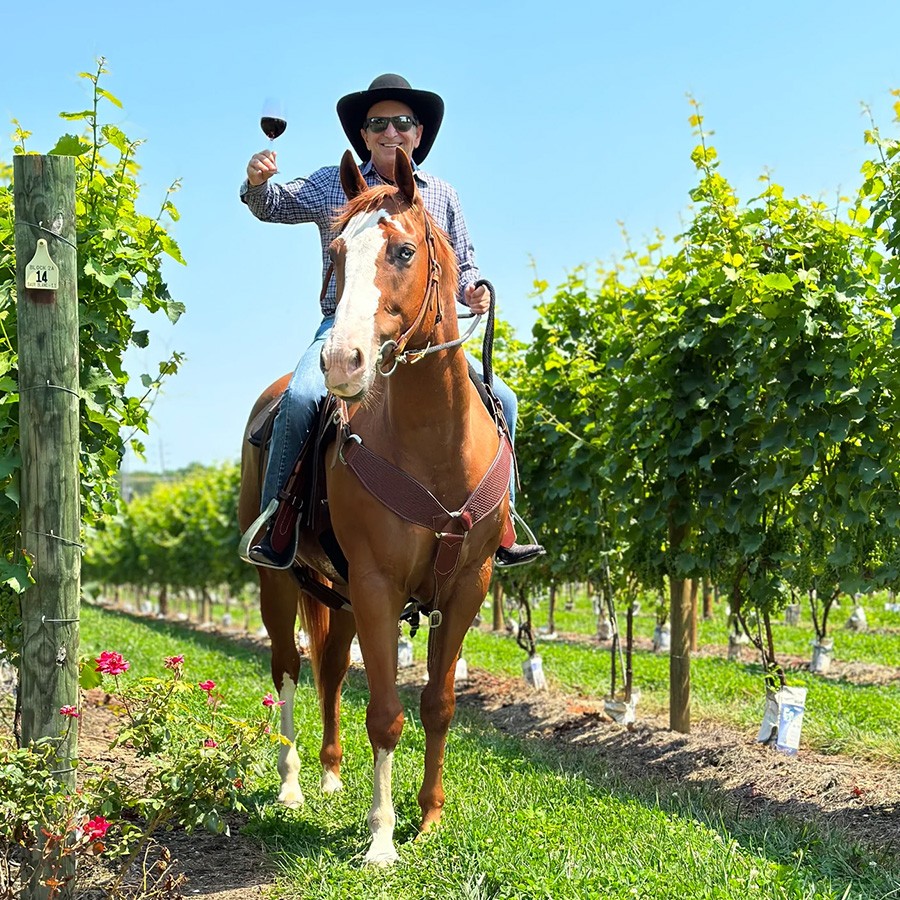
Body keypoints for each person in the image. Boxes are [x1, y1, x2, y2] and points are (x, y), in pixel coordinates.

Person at [240, 73, 544, 569]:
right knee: (298, 399)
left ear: (418, 133)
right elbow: (274, 205)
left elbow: (464, 263)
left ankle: (502, 523)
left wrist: (473, 288)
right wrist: (257, 184)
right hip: (348, 328)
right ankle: (281, 519)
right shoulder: (332, 185)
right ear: (363, 135)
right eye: (377, 123)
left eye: (402, 122)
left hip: (424, 340)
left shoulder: (441, 196)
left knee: (503, 399)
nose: (390, 131)